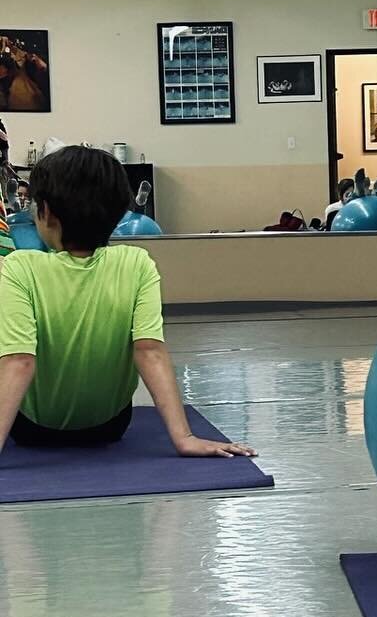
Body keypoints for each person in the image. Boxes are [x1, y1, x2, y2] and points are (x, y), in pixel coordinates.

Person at [0, 146, 256, 460]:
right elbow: (149, 350)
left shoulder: (19, 267)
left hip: (32, 430)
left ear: (46, 212)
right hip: (109, 426)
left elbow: (19, 361)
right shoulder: (137, 263)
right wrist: (185, 437)